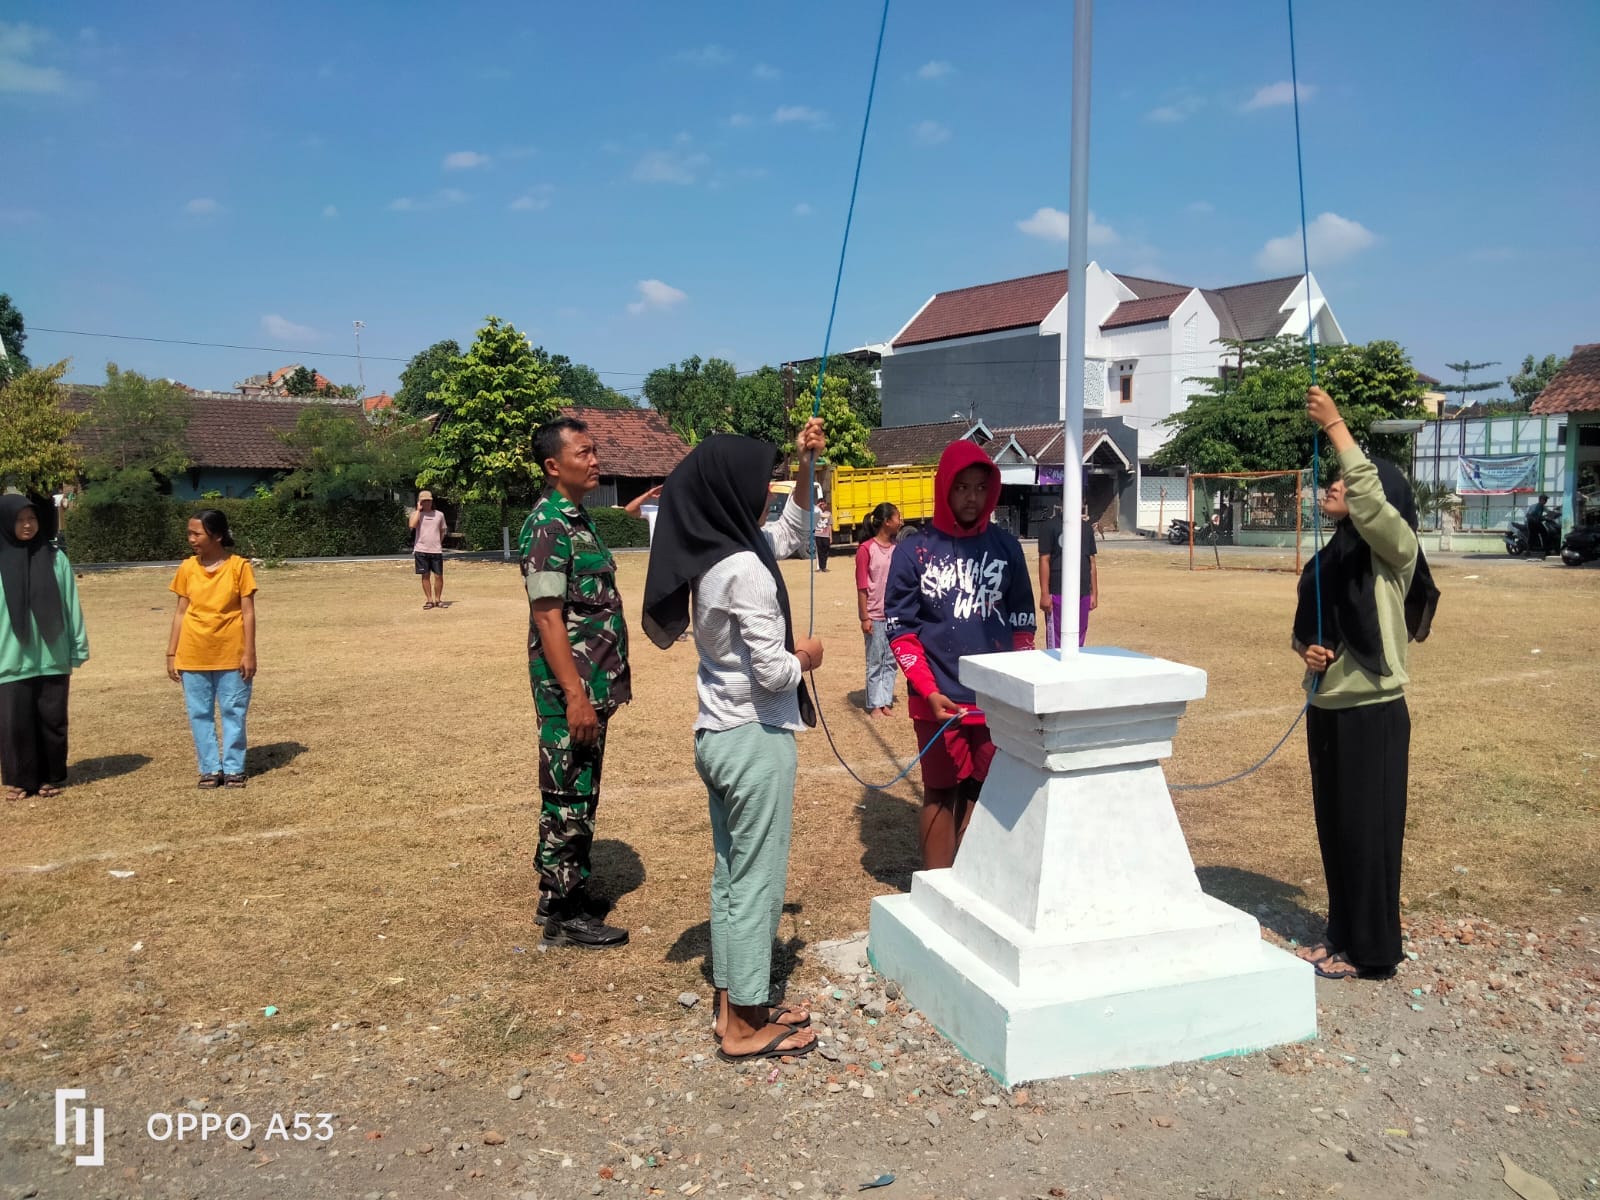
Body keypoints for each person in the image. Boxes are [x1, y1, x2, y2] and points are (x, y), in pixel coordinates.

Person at [641, 417, 827, 1064]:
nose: (762, 492)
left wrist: (806, 465)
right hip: (754, 741)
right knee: (757, 882)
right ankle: (748, 1026)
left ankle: (733, 1005)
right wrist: (808, 655)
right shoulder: (746, 569)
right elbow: (774, 670)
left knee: (730, 876)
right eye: (760, 482)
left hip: (715, 736)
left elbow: (791, 534)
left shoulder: (717, 558)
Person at [1293, 385, 1439, 982]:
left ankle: (1373, 951)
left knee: (1369, 833)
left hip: (1374, 713)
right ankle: (1341, 936)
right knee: (1336, 828)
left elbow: (1376, 506)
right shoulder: (1327, 559)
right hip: (1327, 707)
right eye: (1334, 480)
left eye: (1346, 483)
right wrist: (1309, 650)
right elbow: (1299, 631)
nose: (1335, 486)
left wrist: (1336, 427)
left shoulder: (1393, 552)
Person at [885, 441, 1037, 871]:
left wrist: (1013, 685)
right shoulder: (912, 551)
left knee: (984, 789)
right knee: (940, 790)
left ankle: (970, 884)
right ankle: (937, 890)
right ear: (943, 489)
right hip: (937, 700)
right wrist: (927, 690)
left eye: (979, 487)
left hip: (993, 701)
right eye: (961, 487)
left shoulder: (1007, 548)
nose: (971, 497)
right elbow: (901, 629)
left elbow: (1023, 621)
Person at [519, 417, 634, 949]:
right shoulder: (549, 526)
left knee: (578, 788)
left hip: (590, 688)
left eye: (594, 452)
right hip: (571, 692)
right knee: (567, 792)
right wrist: (574, 696)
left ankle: (565, 888)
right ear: (553, 465)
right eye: (584, 453)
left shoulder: (578, 521)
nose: (595, 461)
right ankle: (564, 912)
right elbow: (547, 617)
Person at [1, 495, 89, 801]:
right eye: (20, 519)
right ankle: (19, 779)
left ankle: (51, 776)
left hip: (53, 655)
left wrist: (77, 646)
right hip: (9, 659)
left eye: (33, 519)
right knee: (15, 723)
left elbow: (70, 606)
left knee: (52, 720)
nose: (27, 525)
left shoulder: (55, 558)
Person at [167, 509, 258, 789]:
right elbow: (181, 612)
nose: (191, 538)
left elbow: (248, 613)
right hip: (193, 652)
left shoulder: (239, 567)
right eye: (190, 533)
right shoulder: (187, 568)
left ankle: (233, 768)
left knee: (233, 710)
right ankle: (209, 768)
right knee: (199, 713)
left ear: (217, 535)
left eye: (197, 533)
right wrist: (171, 653)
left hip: (231, 653)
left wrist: (249, 652)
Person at [855, 502, 903, 716]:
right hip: (874, 615)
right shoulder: (866, 549)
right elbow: (862, 586)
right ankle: (875, 702)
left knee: (891, 660)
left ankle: (885, 700)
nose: (900, 522)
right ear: (886, 522)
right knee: (875, 659)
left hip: (894, 615)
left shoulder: (897, 549)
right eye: (897, 517)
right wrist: (864, 617)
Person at [1038, 507, 1099, 649]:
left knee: (1079, 634)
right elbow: (1044, 560)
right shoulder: (1050, 526)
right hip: (1058, 591)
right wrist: (1045, 594)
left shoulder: (1086, 528)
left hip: (1082, 591)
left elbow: (1092, 561)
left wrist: (1094, 593)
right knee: (1058, 637)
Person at [409, 491, 449, 609]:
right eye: (424, 501)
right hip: (421, 550)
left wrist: (438, 543)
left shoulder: (439, 515)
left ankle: (438, 599)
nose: (427, 503)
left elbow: (442, 530)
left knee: (438, 576)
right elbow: (412, 525)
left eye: (429, 500)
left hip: (436, 550)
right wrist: (418, 510)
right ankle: (429, 600)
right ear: (420, 502)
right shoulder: (416, 514)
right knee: (425, 575)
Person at [813, 498, 832, 572]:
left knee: (826, 551)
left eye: (824, 504)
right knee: (819, 552)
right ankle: (820, 567)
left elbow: (830, 525)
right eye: (821, 504)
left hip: (826, 535)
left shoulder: (828, 513)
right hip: (818, 535)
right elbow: (812, 511)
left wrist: (831, 536)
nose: (822, 505)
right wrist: (817, 506)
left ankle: (824, 566)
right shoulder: (816, 513)